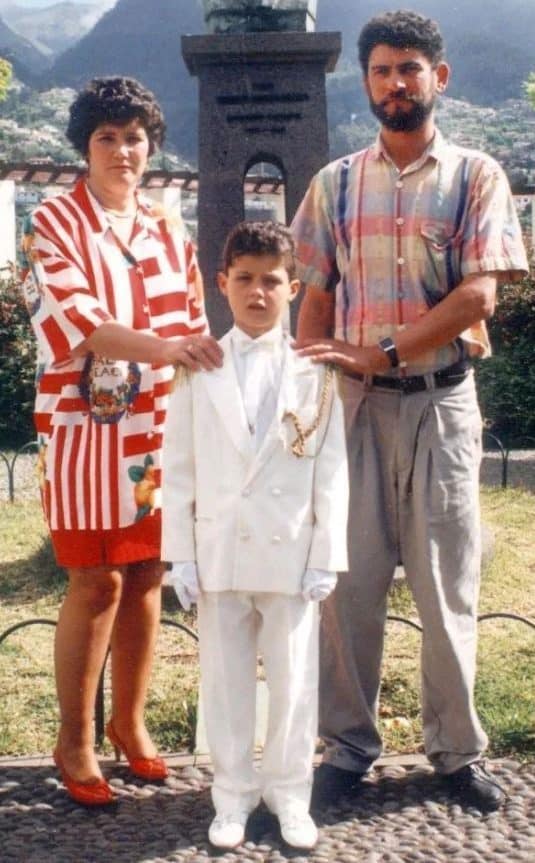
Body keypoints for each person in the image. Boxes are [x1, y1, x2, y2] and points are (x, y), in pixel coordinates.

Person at [291, 10, 528, 813]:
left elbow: (477, 293)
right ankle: (346, 747)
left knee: (444, 586)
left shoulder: (474, 176)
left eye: (411, 68)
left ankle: (455, 751)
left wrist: (383, 351)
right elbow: (314, 297)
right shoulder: (334, 183)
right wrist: (311, 390)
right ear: (365, 82)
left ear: (440, 78)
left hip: (437, 404)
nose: (397, 82)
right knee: (344, 586)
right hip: (352, 412)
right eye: (383, 69)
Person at [23, 76, 223, 806]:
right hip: (81, 428)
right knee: (95, 578)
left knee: (145, 575)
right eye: (106, 137)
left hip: (156, 426)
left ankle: (129, 724)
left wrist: (191, 360)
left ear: (151, 144)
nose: (122, 150)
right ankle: (74, 738)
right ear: (86, 146)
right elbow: (76, 323)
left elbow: (194, 314)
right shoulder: (52, 220)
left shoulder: (168, 226)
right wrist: (169, 348)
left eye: (134, 136)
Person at [161, 221, 349, 849]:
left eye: (272, 281)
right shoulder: (198, 367)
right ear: (223, 284)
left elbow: (331, 470)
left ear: (293, 288)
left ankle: (291, 794)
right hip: (220, 549)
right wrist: (179, 557)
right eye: (244, 279)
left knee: (295, 682)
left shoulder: (314, 370)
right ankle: (233, 794)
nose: (258, 292)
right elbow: (179, 469)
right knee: (225, 679)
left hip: (290, 551)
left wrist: (326, 554)